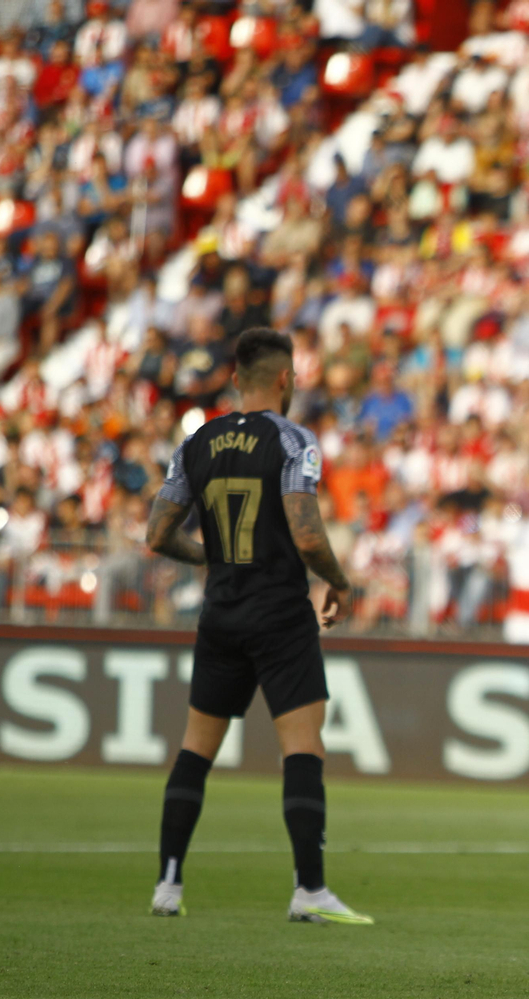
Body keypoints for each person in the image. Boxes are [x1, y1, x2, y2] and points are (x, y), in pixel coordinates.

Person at [146, 327, 369, 926]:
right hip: (279, 614)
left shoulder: (197, 442)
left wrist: (209, 557)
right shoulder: (295, 441)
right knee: (302, 748)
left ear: (236, 378)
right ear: (284, 378)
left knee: (196, 750)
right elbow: (305, 531)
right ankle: (309, 889)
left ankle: (168, 884)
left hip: (220, 614)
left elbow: (157, 534)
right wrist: (340, 582)